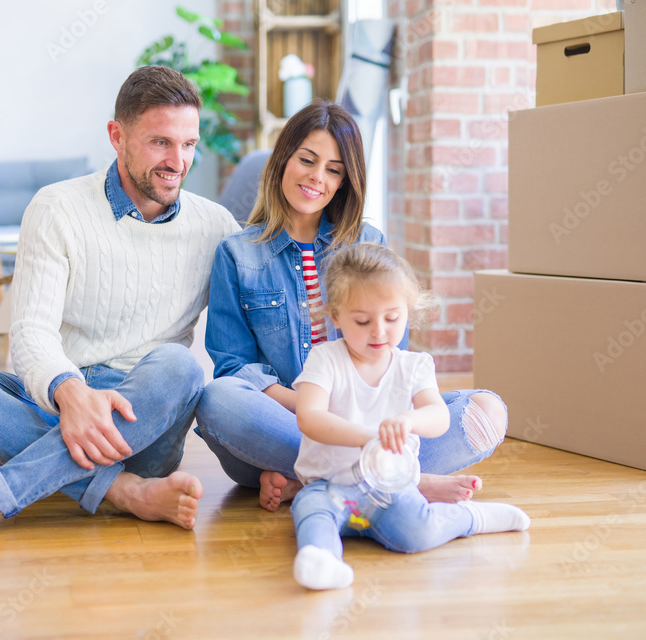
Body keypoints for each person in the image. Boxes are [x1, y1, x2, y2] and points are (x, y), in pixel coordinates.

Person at [0, 66, 239, 544]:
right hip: (60, 402)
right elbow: (32, 332)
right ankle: (124, 493)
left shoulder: (217, 226)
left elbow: (249, 332)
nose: (178, 161)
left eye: (189, 144)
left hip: (141, 420)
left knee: (180, 366)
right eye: (160, 142)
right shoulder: (57, 208)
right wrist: (71, 392)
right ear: (116, 136)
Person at [194, 100, 509, 511]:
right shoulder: (236, 253)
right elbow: (235, 368)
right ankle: (396, 477)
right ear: (283, 159)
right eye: (307, 159)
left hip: (373, 415)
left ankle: (321, 481)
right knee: (219, 399)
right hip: (287, 423)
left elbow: (394, 352)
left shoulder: (368, 243)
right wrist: (322, 410)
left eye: (334, 169)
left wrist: (371, 419)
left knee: (489, 410)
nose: (316, 177)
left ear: (346, 179)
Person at [291, 242, 530, 590]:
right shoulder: (326, 359)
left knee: (417, 532)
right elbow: (309, 417)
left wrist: (409, 421)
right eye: (362, 320)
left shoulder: (414, 366)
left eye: (392, 318)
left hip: (392, 488)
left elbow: (439, 416)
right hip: (329, 486)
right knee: (310, 511)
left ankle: (468, 518)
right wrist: (368, 435)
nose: (379, 332)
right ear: (336, 316)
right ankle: (322, 559)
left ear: (408, 311)